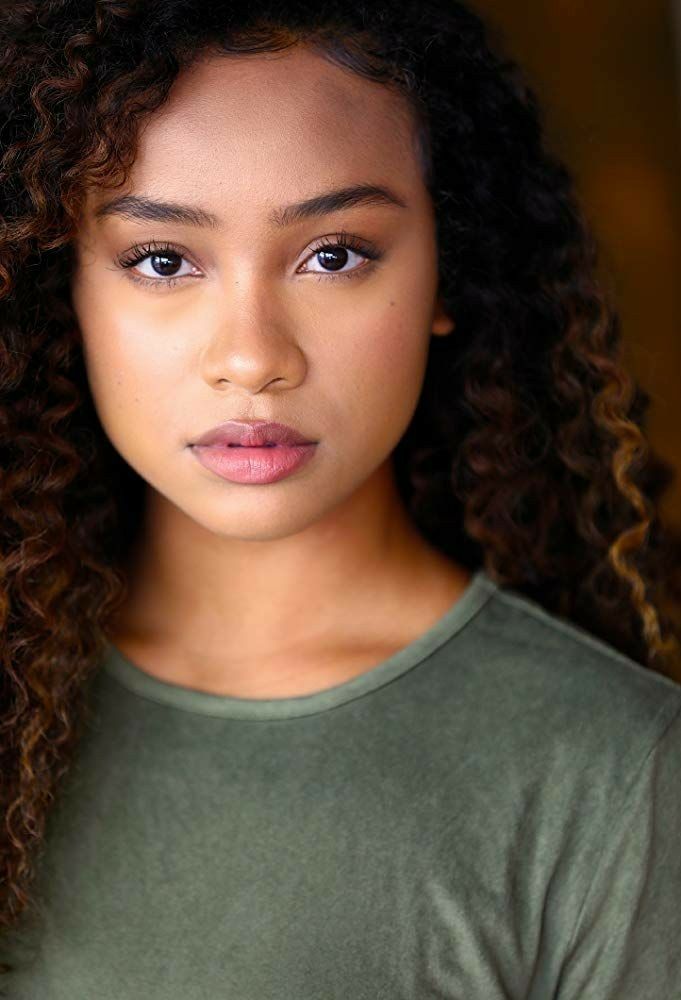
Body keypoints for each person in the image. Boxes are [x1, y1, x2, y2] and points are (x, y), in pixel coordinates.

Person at [0, 1, 680, 996]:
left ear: (451, 264)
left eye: (334, 255)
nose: (253, 358)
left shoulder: (614, 773)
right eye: (162, 261)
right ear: (68, 290)